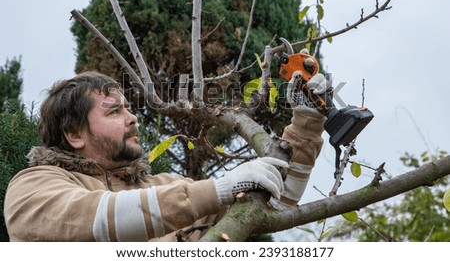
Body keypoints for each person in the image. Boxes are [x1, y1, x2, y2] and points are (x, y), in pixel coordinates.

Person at [3, 69, 328, 241]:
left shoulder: (164, 184)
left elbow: (276, 204)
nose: (132, 118)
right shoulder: (33, 187)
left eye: (128, 109)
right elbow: (99, 218)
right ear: (74, 134)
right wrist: (217, 189)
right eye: (114, 111)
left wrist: (307, 125)